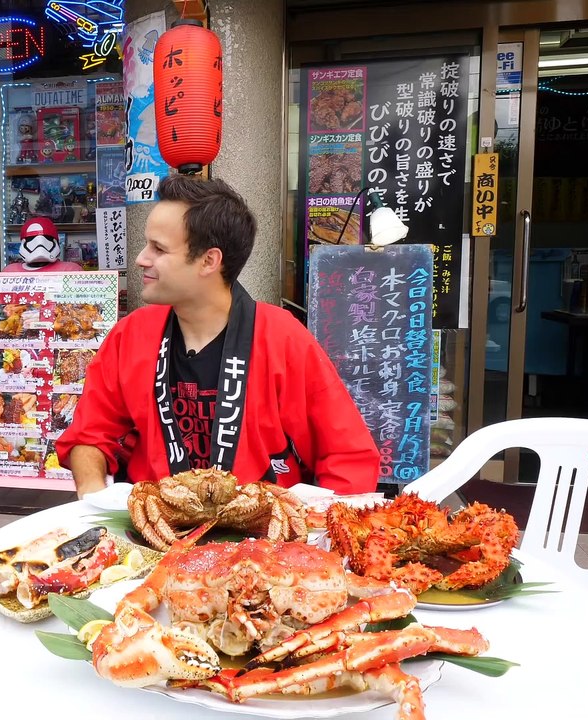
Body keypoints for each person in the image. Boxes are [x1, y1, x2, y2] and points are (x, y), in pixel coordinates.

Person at [56, 174, 379, 498]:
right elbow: (88, 435)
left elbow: (349, 458)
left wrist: (318, 536)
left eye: (158, 248)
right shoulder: (131, 334)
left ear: (209, 260)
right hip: (152, 530)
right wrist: (92, 497)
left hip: (265, 537)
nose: (141, 258)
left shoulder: (283, 338)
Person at [1, 216, 85, 273]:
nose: (39, 246)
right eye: (31, 239)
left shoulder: (70, 270)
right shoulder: (11, 271)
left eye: (46, 238)